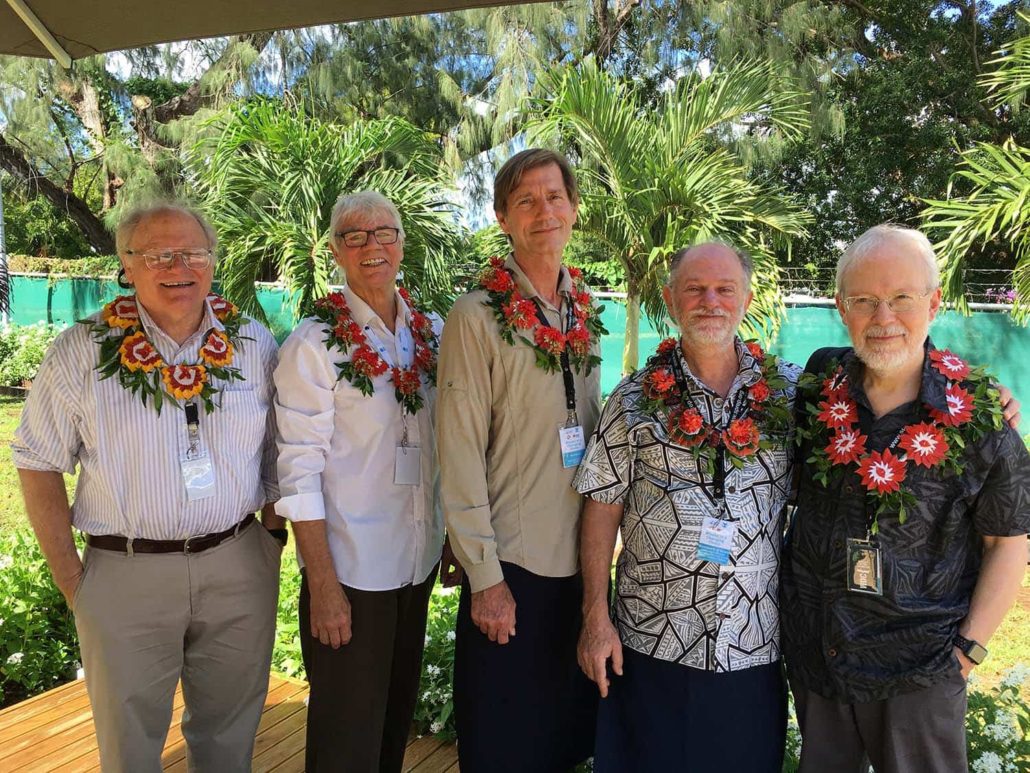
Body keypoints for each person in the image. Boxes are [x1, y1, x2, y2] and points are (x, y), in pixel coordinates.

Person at [13, 201, 284, 773]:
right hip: (125, 574)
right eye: (157, 254)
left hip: (239, 564)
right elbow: (37, 462)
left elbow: (280, 449)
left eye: (192, 252)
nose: (177, 266)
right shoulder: (80, 352)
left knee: (230, 732)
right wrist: (73, 581)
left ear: (212, 262)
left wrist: (271, 540)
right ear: (126, 265)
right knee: (129, 743)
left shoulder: (254, 344)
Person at [780, 224, 1030, 772]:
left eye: (901, 298)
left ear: (934, 302)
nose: (884, 317)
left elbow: (1009, 543)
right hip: (820, 657)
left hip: (919, 670)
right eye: (865, 300)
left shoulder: (982, 417)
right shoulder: (819, 384)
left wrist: (968, 652)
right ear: (842, 308)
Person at [574, 242, 798, 772]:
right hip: (651, 638)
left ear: (746, 298)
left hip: (752, 640)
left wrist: (968, 387)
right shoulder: (631, 399)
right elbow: (602, 508)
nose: (710, 302)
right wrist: (595, 618)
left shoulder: (791, 393)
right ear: (672, 299)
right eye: (695, 289)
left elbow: (876, 394)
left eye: (724, 289)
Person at [436, 148, 603, 772]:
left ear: (574, 209)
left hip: (579, 560)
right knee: (505, 741)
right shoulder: (476, 316)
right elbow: (457, 454)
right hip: (512, 567)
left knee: (561, 737)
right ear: (502, 216)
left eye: (555, 197)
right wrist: (485, 578)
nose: (543, 211)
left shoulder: (581, 309)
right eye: (526, 201)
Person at [273, 191, 444, 773]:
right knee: (346, 740)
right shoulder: (314, 344)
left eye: (385, 232)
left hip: (414, 563)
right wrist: (322, 584)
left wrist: (448, 536)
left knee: (393, 723)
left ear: (402, 242)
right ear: (334, 251)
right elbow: (296, 471)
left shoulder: (431, 333)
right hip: (349, 573)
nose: (373, 246)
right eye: (355, 235)